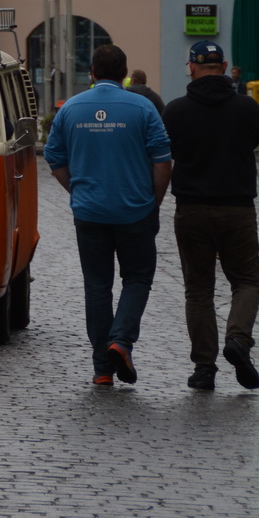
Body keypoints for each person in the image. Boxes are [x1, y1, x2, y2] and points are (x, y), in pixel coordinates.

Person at [44, 42, 172, 388]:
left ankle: (102, 366)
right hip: (135, 210)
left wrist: (78, 190)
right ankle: (121, 340)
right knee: (137, 279)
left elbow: (54, 158)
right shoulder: (143, 107)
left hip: (90, 212)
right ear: (125, 74)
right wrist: (154, 201)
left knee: (97, 286)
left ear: (93, 74)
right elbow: (163, 161)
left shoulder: (71, 108)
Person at [163, 38, 259, 392]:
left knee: (198, 290)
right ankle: (239, 339)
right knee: (248, 281)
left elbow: (163, 156)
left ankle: (204, 368)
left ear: (191, 66)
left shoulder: (175, 111)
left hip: (191, 209)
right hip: (237, 208)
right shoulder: (248, 109)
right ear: (224, 66)